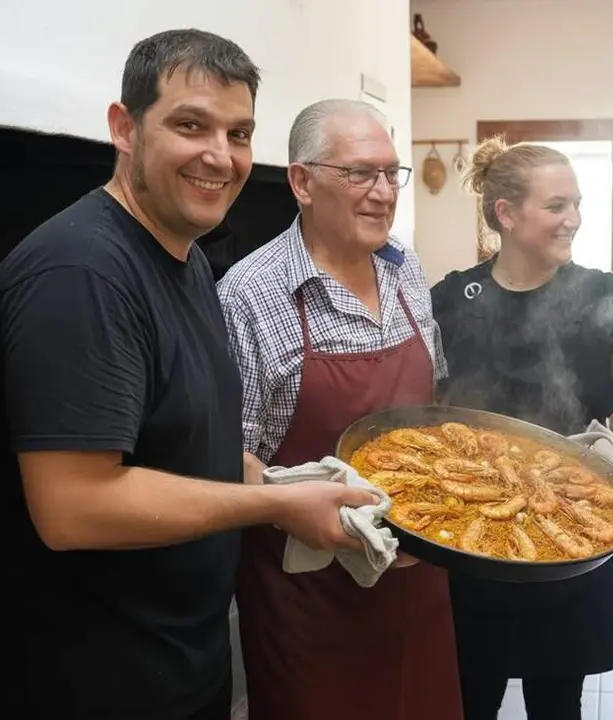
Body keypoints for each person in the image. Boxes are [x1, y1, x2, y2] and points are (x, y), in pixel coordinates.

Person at [0, 32, 375, 720]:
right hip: (84, 685)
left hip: (174, 664)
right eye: (191, 125)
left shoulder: (183, 258)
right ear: (124, 129)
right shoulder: (80, 276)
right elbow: (75, 507)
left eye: (239, 132)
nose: (221, 155)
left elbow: (175, 436)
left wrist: (274, 478)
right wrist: (275, 508)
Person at [217, 99, 462, 720]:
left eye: (391, 173)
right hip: (310, 598)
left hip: (419, 567)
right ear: (301, 181)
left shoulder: (405, 268)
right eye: (359, 174)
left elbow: (426, 405)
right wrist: (306, 513)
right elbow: (229, 457)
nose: (383, 193)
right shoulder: (250, 295)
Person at [430, 136, 613, 720]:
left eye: (577, 204)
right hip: (473, 530)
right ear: (506, 215)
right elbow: (424, 407)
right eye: (557, 206)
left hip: (573, 526)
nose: (575, 221)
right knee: (470, 696)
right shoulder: (452, 299)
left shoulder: (603, 296)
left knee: (559, 699)